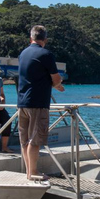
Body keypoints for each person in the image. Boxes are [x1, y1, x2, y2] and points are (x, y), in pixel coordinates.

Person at [17, 25, 65, 180]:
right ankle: (34, 172)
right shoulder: (46, 54)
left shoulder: (23, 54)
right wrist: (57, 85)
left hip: (22, 103)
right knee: (35, 139)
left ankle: (28, 173)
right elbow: (56, 78)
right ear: (45, 39)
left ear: (31, 38)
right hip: (38, 103)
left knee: (25, 140)